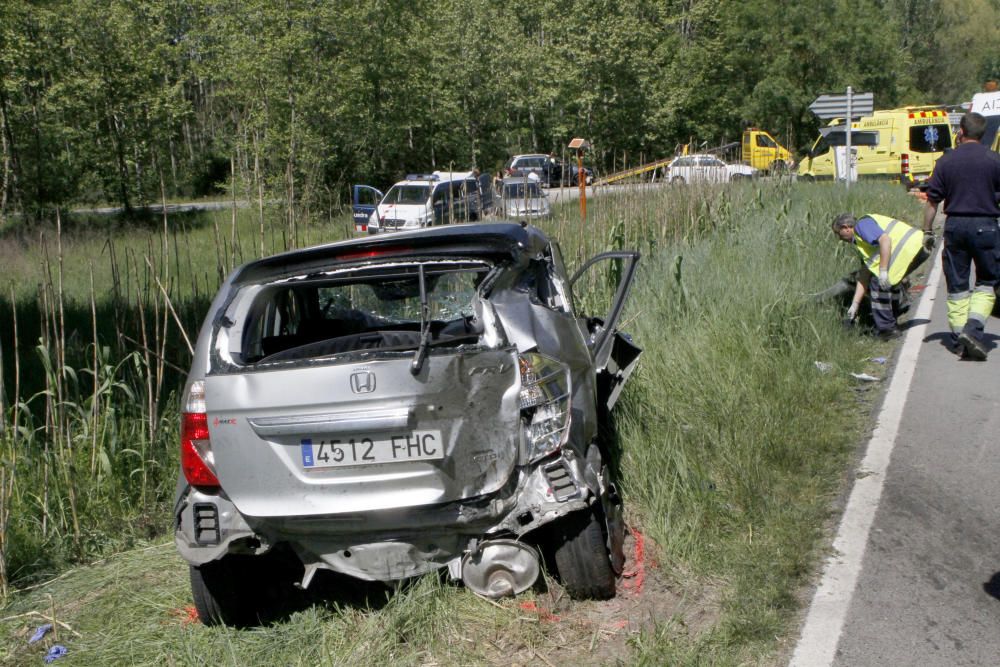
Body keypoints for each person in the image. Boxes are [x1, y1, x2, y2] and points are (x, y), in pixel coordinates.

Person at [922, 112, 1000, 360]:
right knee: (987, 282)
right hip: (986, 226)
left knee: (957, 285)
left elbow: (932, 202)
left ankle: (958, 340)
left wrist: (927, 230)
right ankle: (973, 330)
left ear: (961, 132)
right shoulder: (994, 160)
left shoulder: (946, 162)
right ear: (983, 134)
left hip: (955, 226)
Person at [832, 213, 931, 339]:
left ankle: (887, 329)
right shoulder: (862, 243)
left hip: (912, 248)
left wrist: (883, 271)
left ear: (846, 227)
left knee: (877, 281)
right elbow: (865, 273)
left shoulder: (861, 226)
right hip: (916, 248)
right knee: (888, 280)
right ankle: (892, 321)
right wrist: (855, 304)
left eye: (839, 234)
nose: (840, 239)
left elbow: (885, 240)